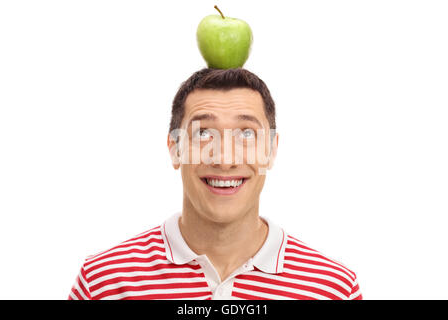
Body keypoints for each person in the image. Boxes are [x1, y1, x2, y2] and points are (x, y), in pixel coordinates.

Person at [68, 68, 362, 300]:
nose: (224, 159)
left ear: (271, 150)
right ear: (175, 148)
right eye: (203, 132)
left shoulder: (333, 290)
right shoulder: (103, 283)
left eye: (246, 134)